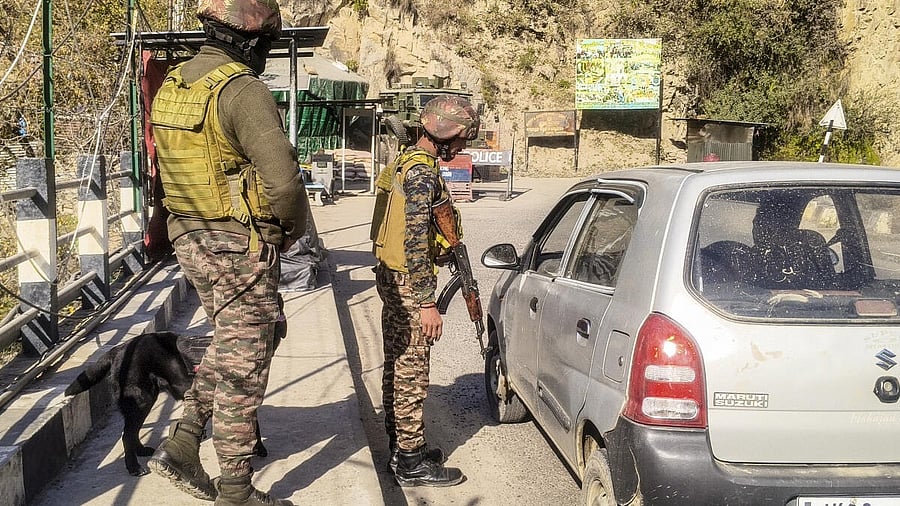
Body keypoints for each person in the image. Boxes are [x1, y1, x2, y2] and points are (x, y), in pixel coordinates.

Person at [147, 0, 308, 505]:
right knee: (245, 366)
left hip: (190, 239)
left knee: (240, 342)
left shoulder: (175, 85)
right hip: (237, 244)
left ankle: (184, 441)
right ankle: (235, 489)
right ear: (252, 40)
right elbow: (284, 181)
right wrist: (290, 232)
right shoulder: (242, 89)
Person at [370, 95, 479, 487]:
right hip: (409, 283)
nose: (463, 145)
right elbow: (415, 239)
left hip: (393, 276)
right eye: (462, 138)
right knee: (411, 374)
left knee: (397, 364)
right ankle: (411, 461)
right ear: (445, 134)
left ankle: (401, 447)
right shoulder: (422, 173)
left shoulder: (409, 161)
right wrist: (427, 301)